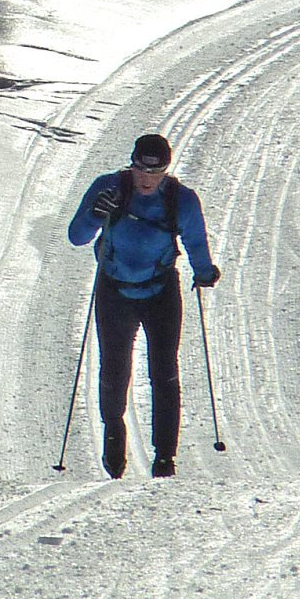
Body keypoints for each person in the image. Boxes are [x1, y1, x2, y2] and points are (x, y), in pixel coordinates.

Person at [68, 133, 220, 479]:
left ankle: (165, 458)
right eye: (141, 169)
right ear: (132, 163)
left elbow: (195, 238)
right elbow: (76, 236)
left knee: (165, 373)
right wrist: (95, 214)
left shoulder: (181, 200)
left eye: (157, 172)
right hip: (114, 289)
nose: (147, 179)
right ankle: (113, 439)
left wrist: (205, 272)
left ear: (167, 170)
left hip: (160, 291)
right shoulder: (109, 188)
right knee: (114, 370)